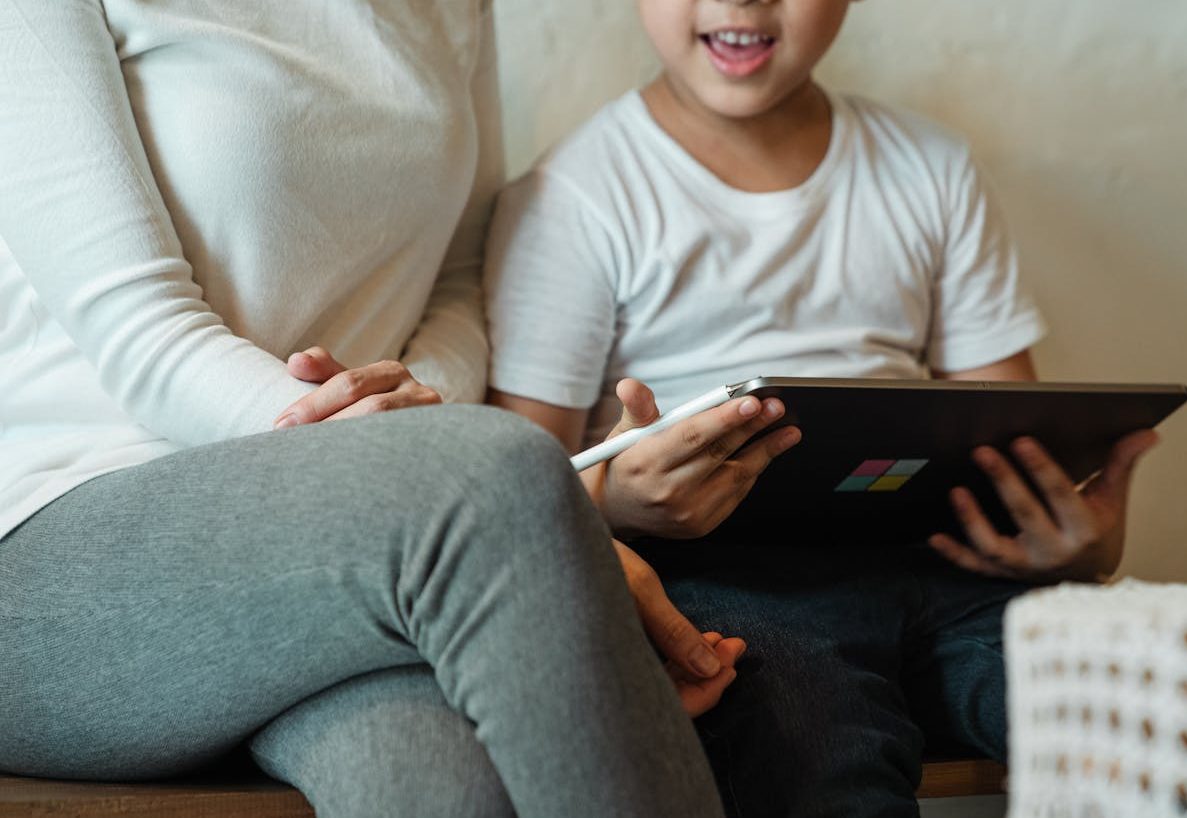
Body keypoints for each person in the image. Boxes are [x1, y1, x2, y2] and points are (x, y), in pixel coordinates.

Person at [0, 2, 735, 817]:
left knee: (452, 789)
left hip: (351, 560)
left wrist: (421, 461)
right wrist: (492, 512)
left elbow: (459, 273)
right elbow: (138, 325)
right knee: (495, 471)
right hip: (61, 550)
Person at [483, 0, 1160, 815]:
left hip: (943, 566)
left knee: (1141, 713)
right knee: (816, 755)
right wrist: (617, 506)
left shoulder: (930, 167)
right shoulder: (576, 193)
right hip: (719, 582)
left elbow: (1011, 434)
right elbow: (511, 490)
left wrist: (1078, 542)